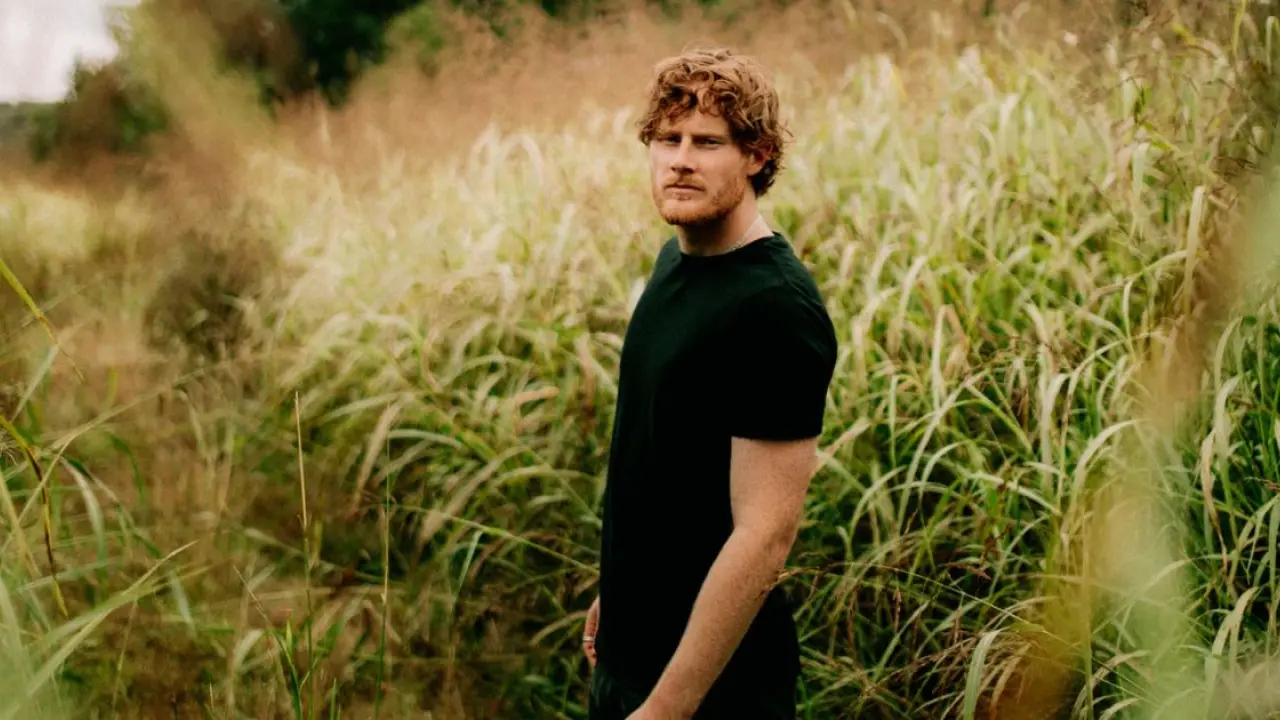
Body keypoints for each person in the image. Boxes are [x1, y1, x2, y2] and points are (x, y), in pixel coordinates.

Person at [581, 47, 839, 719]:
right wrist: (621, 591)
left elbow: (764, 537)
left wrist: (667, 707)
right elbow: (665, 463)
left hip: (712, 694)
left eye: (708, 142)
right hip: (630, 660)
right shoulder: (675, 264)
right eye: (668, 139)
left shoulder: (775, 309)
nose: (681, 160)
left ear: (757, 155)